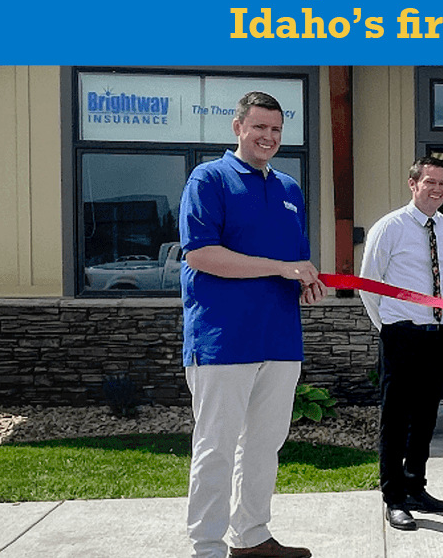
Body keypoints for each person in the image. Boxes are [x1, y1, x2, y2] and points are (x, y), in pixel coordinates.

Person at [179, 91, 326, 558]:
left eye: (277, 129)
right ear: (237, 128)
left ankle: (252, 537)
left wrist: (302, 279)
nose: (269, 136)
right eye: (259, 126)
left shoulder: (288, 190)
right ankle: (206, 546)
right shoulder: (210, 178)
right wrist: (281, 268)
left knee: (265, 445)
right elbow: (201, 254)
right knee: (217, 446)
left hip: (280, 336)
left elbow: (291, 261)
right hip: (223, 338)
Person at [359, 156, 443, 531]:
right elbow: (369, 284)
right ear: (412, 184)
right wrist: (388, 326)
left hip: (437, 335)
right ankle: (394, 497)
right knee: (396, 417)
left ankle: (416, 485)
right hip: (401, 334)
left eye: (442, 184)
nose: (437, 190)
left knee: (426, 417)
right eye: (430, 182)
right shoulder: (389, 227)